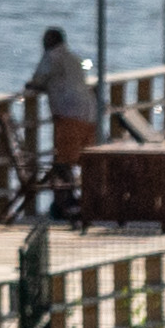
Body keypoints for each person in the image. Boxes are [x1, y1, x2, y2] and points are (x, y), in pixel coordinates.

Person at [25, 26, 109, 213]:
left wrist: (32, 86)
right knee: (87, 160)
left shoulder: (52, 56)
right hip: (90, 113)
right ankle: (90, 201)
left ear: (50, 42)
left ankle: (65, 204)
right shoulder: (74, 58)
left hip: (69, 114)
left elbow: (38, 79)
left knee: (64, 160)